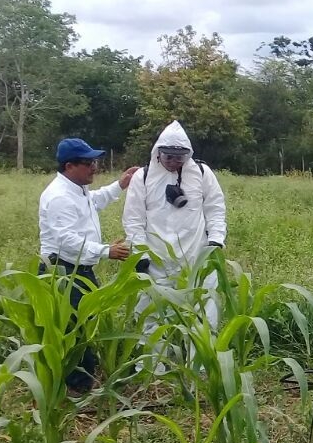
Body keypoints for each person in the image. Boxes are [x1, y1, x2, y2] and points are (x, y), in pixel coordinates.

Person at [37, 138, 139, 391]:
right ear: (69, 166)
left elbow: (93, 201)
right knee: (74, 330)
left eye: (95, 161)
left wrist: (119, 185)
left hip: (79, 270)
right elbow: (66, 240)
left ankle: (84, 379)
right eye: (88, 163)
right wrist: (106, 251)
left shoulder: (77, 190)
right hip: (62, 272)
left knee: (87, 322)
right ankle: (77, 388)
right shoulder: (59, 197)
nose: (95, 167)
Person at [123, 121, 228, 341]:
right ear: (157, 153)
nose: (172, 162)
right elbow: (133, 219)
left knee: (203, 310)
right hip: (156, 259)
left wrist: (216, 240)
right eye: (168, 156)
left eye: (178, 157)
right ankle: (154, 368)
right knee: (151, 312)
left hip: (195, 255)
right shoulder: (143, 177)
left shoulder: (201, 172)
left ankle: (198, 366)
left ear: (187, 155)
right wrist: (140, 254)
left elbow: (215, 207)